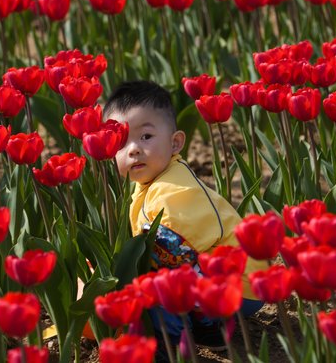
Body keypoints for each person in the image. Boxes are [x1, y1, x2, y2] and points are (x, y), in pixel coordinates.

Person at [104, 80, 265, 352]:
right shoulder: (152, 182)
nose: (133, 149)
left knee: (157, 285)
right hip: (231, 280)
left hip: (241, 285)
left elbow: (172, 251)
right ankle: (208, 326)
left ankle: (173, 341)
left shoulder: (174, 188)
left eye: (146, 137)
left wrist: (122, 275)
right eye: (121, 142)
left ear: (176, 142)